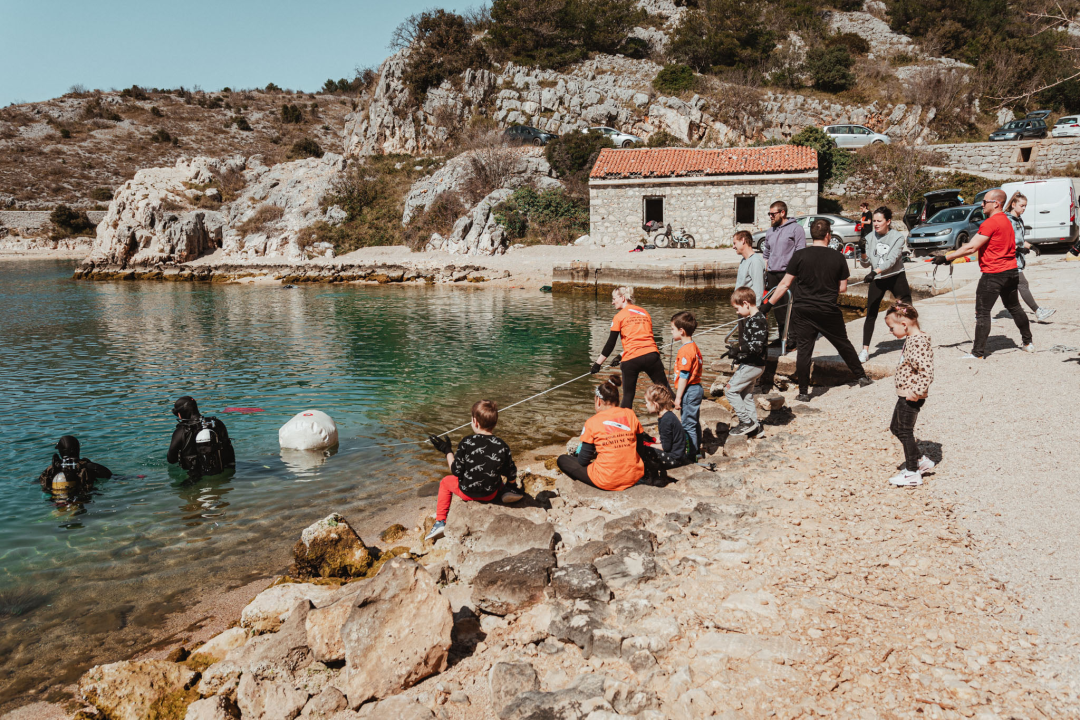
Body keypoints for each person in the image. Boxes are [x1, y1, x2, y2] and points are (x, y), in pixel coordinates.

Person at [764, 218, 872, 402]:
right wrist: (826, 287)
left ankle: (804, 393)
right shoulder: (838, 257)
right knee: (843, 344)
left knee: (804, 350)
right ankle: (861, 377)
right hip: (827, 309)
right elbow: (843, 288)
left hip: (803, 309)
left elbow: (784, 284)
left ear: (810, 235)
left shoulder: (799, 256)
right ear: (828, 235)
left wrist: (766, 306)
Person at [933, 189, 1034, 357]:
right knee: (1015, 307)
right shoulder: (1008, 221)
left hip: (994, 274)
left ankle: (977, 352)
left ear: (996, 203)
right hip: (1011, 272)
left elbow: (972, 247)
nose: (981, 205)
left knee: (982, 312)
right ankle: (1028, 342)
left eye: (984, 202)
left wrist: (946, 257)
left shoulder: (990, 222)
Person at [424, 400, 522, 541]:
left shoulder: (466, 442)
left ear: (475, 422)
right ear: (495, 423)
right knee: (497, 475)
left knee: (445, 482)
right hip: (490, 494)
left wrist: (447, 451)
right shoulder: (502, 445)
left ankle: (440, 521)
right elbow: (511, 471)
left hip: (467, 492)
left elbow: (456, 471)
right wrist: (512, 484)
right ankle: (506, 490)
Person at [556, 375, 646, 491]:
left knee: (563, 460)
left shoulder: (592, 422)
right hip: (633, 475)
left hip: (607, 480)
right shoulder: (630, 414)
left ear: (598, 401)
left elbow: (583, 461)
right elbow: (640, 449)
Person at [592, 286, 672, 408]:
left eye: (614, 299)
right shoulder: (644, 312)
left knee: (628, 396)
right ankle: (681, 411)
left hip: (632, 359)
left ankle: (624, 424)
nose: (612, 302)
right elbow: (642, 340)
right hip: (651, 356)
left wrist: (598, 364)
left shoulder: (619, 316)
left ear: (623, 298)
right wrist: (620, 356)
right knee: (666, 390)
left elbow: (610, 343)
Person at [883, 303, 936, 487]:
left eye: (892, 328)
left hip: (911, 394)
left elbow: (926, 371)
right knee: (895, 427)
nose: (891, 332)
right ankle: (919, 459)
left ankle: (913, 472)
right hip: (904, 392)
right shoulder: (912, 339)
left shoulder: (919, 342)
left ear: (904, 324)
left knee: (905, 431)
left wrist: (917, 392)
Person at [860, 206, 912, 362]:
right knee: (871, 314)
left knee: (907, 312)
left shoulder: (897, 237)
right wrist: (862, 251)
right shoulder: (870, 237)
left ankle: (908, 349)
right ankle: (865, 350)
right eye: (874, 221)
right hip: (877, 279)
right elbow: (865, 263)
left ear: (888, 221)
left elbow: (892, 260)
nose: (876, 224)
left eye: (879, 221)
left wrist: (874, 272)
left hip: (896, 276)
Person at [1005, 192, 1055, 323]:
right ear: (1013, 204)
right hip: (1009, 260)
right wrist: (1018, 248)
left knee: (1001, 288)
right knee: (1022, 284)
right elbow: (1006, 241)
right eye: (1022, 205)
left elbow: (1019, 240)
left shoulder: (1018, 219)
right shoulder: (1007, 220)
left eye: (1025, 206)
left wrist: (1031, 246)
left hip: (1017, 260)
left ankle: (981, 312)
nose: (1024, 208)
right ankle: (1038, 311)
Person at [761, 201, 806, 348]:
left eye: (773, 214)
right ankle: (782, 337)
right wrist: (767, 268)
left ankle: (793, 338)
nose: (771, 217)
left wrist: (794, 271)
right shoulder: (770, 231)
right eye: (769, 214)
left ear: (782, 213)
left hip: (789, 273)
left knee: (790, 306)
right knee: (777, 308)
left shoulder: (796, 229)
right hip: (773, 273)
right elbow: (766, 252)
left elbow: (800, 252)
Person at [725, 287, 769, 436]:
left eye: (737, 309)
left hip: (754, 365)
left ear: (746, 303)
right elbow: (751, 347)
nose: (737, 312)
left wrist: (738, 349)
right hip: (752, 363)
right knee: (746, 394)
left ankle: (745, 422)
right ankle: (756, 427)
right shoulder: (751, 319)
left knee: (730, 390)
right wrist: (738, 355)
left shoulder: (758, 320)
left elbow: (757, 346)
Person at [167, 396, 236, 479]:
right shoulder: (217, 423)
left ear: (180, 413)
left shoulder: (181, 431)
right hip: (224, 473)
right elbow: (228, 448)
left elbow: (171, 459)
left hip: (195, 477)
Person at [670, 311, 703, 461]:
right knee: (693, 421)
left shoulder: (685, 350)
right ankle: (696, 450)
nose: (671, 332)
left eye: (672, 329)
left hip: (689, 390)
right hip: (696, 388)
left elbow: (683, 376)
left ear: (681, 331)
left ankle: (691, 455)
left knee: (688, 424)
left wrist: (678, 398)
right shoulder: (694, 346)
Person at [640, 385, 687, 485]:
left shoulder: (666, 421)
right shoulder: (667, 415)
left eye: (647, 402)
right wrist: (650, 439)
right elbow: (666, 439)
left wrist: (648, 445)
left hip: (674, 459)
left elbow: (665, 447)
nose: (646, 405)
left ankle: (650, 476)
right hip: (677, 454)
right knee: (643, 437)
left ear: (655, 404)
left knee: (644, 450)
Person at [39, 435, 112, 497]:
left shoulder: (52, 469)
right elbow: (110, 475)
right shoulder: (88, 466)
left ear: (61, 451)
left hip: (57, 499)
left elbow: (39, 481)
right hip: (81, 497)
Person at [733, 230, 766, 305]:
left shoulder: (755, 261)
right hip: (742, 308)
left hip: (750, 310)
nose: (733, 247)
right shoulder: (744, 260)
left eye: (735, 243)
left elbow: (758, 291)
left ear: (743, 241)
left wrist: (755, 312)